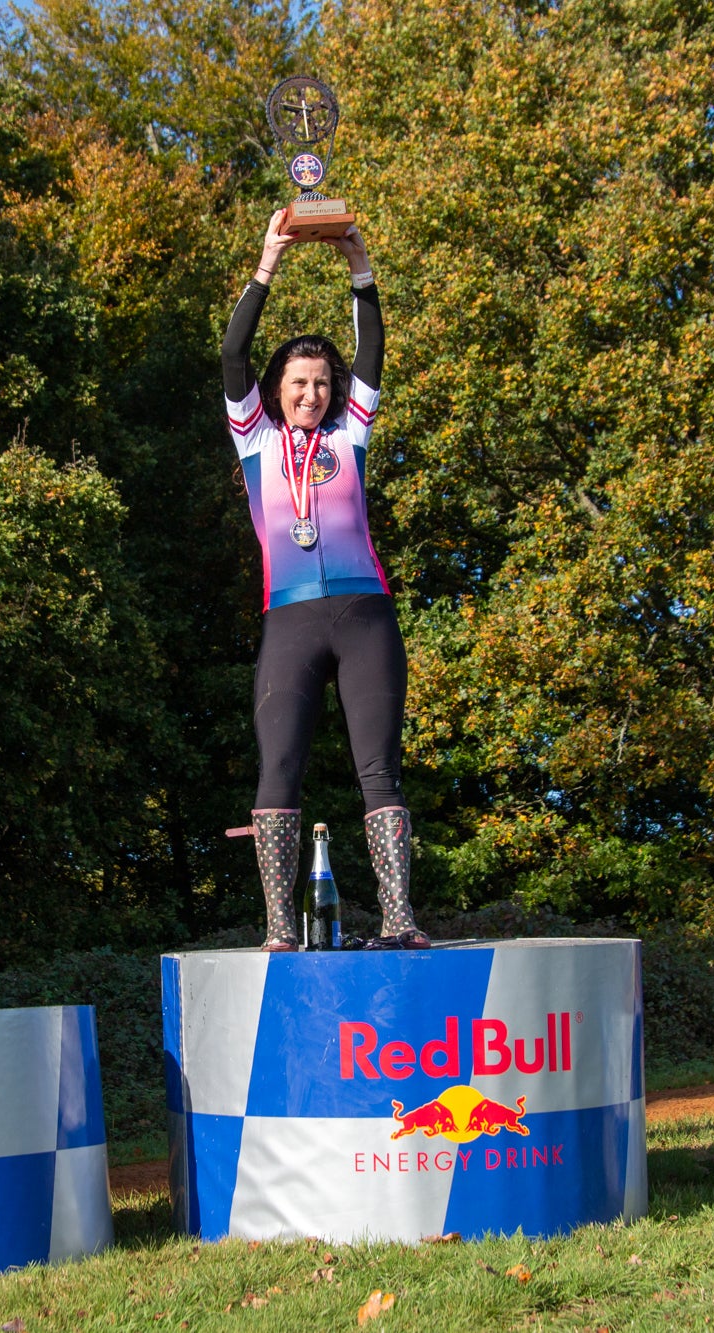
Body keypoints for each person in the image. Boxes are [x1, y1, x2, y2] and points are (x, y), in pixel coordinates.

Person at [221, 212, 426, 951]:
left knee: (380, 767)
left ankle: (400, 917)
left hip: (365, 615)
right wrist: (267, 262)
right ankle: (279, 926)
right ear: (275, 390)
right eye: (296, 382)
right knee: (278, 765)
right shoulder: (254, 438)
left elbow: (372, 348)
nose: (309, 393)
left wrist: (360, 266)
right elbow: (232, 351)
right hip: (290, 620)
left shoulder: (350, 433)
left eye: (319, 382)